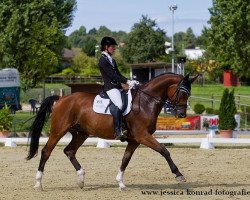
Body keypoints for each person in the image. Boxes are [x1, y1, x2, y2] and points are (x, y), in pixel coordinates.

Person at [98, 36, 137, 140]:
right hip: (110, 87)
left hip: (117, 86)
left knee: (128, 101)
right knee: (119, 104)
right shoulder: (102, 60)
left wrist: (129, 81)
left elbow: (118, 74)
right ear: (106, 47)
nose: (114, 49)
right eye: (112, 47)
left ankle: (126, 126)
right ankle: (117, 130)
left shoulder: (112, 60)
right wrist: (127, 82)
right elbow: (112, 75)